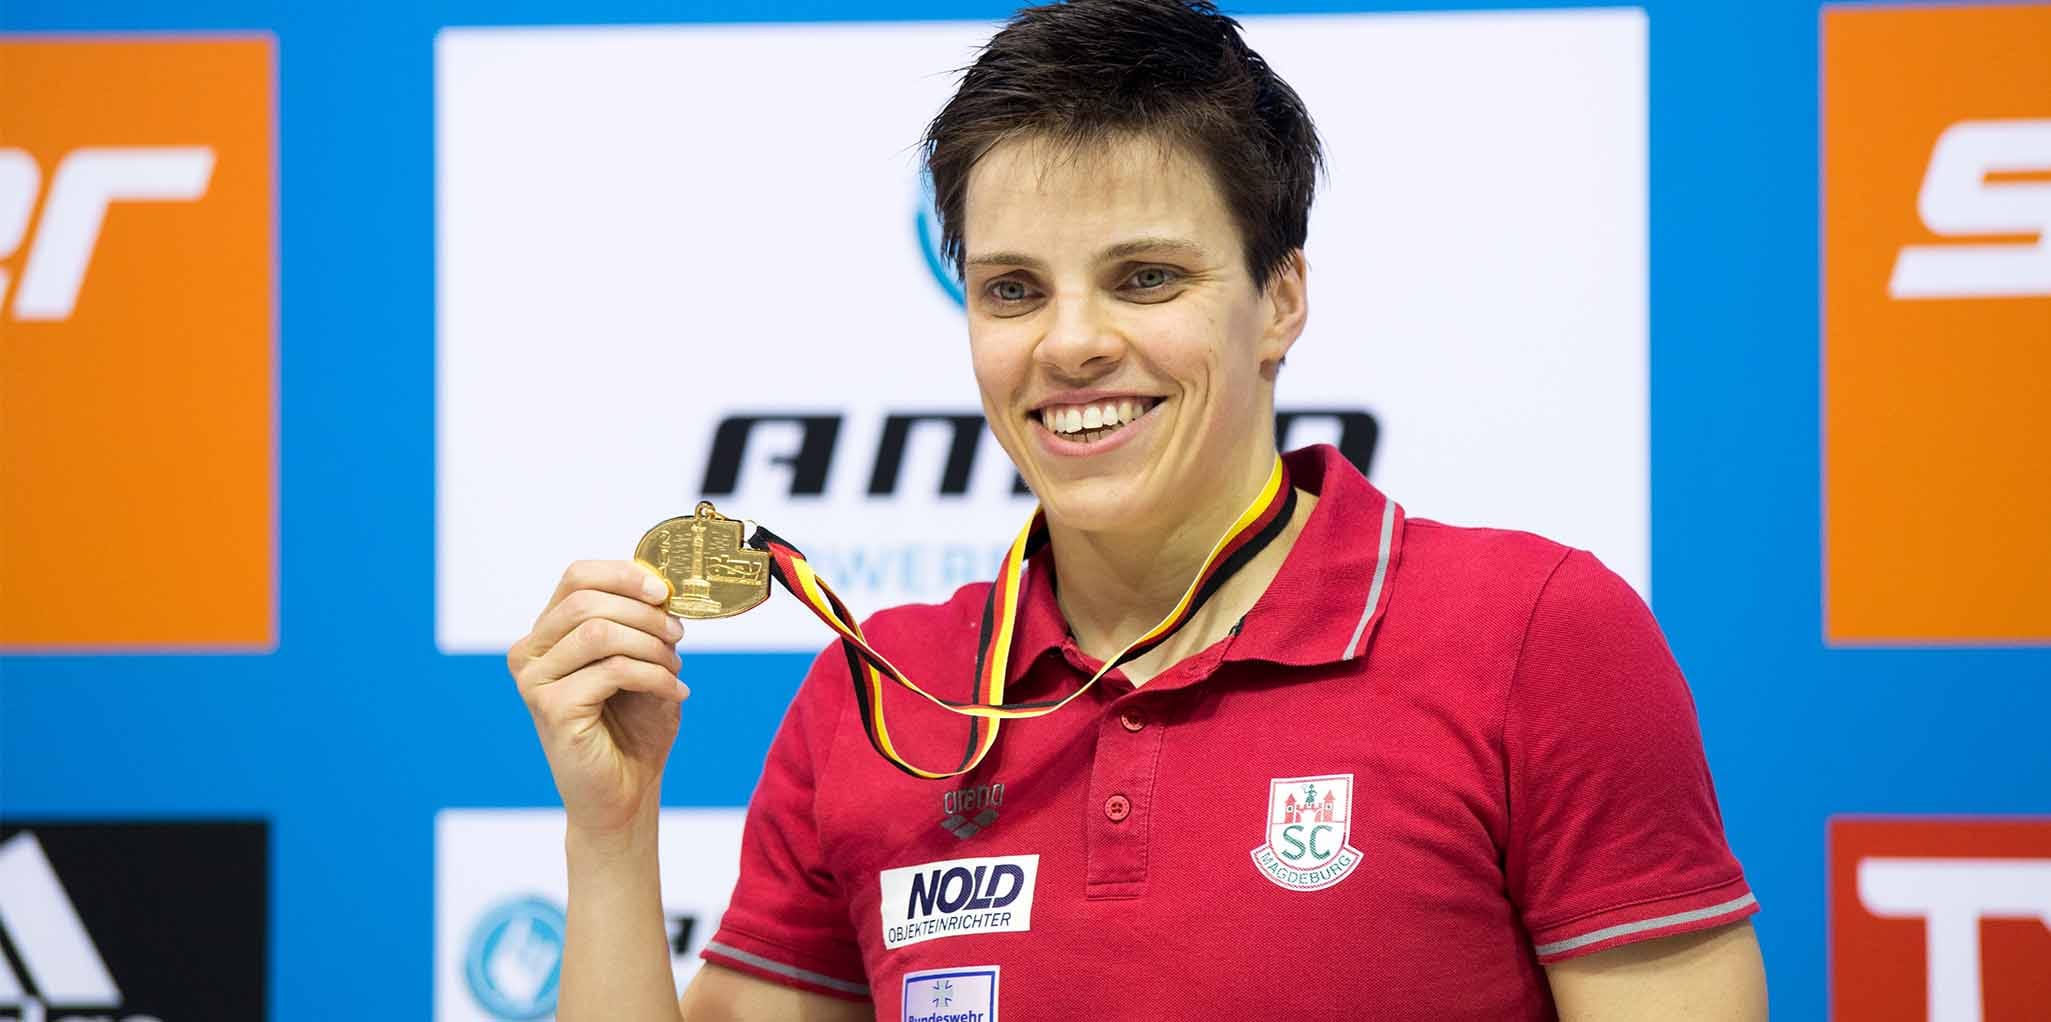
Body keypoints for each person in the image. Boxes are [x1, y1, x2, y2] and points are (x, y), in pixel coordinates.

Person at [506, 1, 1770, 1018]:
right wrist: (611, 834)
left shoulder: (1534, 635)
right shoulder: (879, 692)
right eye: (1012, 289)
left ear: (1279, 300)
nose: (1069, 344)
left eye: (1145, 276)